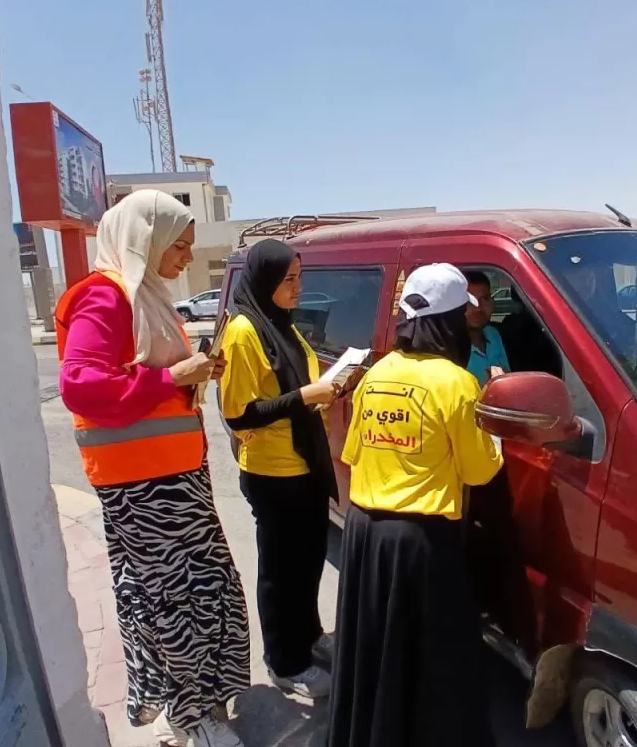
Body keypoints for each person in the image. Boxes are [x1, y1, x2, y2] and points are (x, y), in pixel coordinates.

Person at [55, 189, 249, 747]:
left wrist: (188, 376)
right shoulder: (106, 297)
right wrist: (174, 378)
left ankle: (186, 708)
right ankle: (194, 718)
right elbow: (79, 386)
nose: (187, 257)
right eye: (180, 245)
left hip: (172, 479)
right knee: (176, 605)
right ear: (148, 238)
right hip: (143, 488)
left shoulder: (147, 297)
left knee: (195, 594)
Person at [328, 263, 505, 747]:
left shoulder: (377, 371)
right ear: (451, 321)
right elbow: (479, 471)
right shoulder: (456, 383)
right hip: (420, 542)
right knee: (432, 668)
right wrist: (496, 426)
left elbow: (354, 453)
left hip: (365, 537)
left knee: (376, 658)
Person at [219, 239, 342, 699]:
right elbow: (240, 412)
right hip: (273, 473)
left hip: (303, 463)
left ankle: (308, 637)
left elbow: (297, 385)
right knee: (280, 572)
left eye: (299, 277)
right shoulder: (245, 331)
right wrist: (305, 398)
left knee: (308, 561)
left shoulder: (283, 326)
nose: (297, 287)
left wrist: (329, 387)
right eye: (289, 279)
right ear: (266, 279)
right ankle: (284, 662)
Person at [462, 270, 511, 385]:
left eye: (484, 299)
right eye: (469, 301)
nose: (478, 307)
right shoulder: (449, 347)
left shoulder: (493, 334)